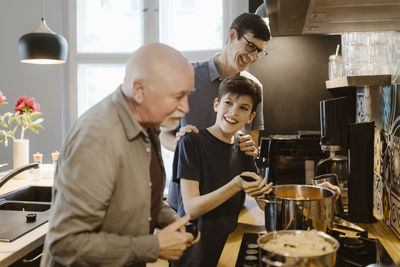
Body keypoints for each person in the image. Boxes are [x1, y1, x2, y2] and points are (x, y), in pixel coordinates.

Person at [40, 43, 199, 267]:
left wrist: (168, 218)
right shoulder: (97, 139)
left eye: (187, 95)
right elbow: (65, 243)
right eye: (177, 97)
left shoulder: (148, 122)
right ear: (139, 91)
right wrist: (153, 246)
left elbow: (137, 192)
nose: (186, 107)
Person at [161, 13, 271, 210]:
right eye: (250, 46)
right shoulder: (187, 76)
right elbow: (163, 135)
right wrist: (182, 144)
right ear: (231, 36)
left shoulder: (255, 87)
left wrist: (251, 149)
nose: (254, 57)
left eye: (260, 52)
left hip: (230, 201)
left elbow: (252, 144)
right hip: (185, 203)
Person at [170, 76, 273, 267]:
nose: (233, 112)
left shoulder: (243, 147)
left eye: (243, 108)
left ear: (251, 117)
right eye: (228, 102)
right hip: (193, 253)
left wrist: (265, 192)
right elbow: (192, 209)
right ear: (217, 104)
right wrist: (236, 185)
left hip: (228, 246)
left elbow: (262, 201)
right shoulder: (191, 142)